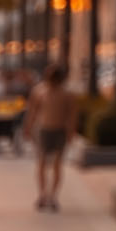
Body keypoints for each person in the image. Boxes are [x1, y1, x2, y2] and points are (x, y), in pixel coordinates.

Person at [24, 61, 79, 211]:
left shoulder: (67, 94)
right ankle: (42, 194)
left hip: (59, 131)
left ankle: (53, 196)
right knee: (42, 163)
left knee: (56, 164)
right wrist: (28, 128)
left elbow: (72, 115)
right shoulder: (39, 91)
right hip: (44, 130)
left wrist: (71, 132)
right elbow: (32, 112)